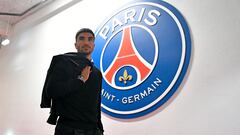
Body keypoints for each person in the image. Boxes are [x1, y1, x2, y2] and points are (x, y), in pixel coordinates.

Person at [40, 28, 104, 135]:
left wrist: (100, 128)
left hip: (94, 129)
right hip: (68, 128)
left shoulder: (97, 73)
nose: (86, 42)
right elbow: (51, 91)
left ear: (93, 45)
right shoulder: (64, 63)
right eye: (82, 39)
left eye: (90, 39)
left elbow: (96, 103)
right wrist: (80, 80)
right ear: (76, 44)